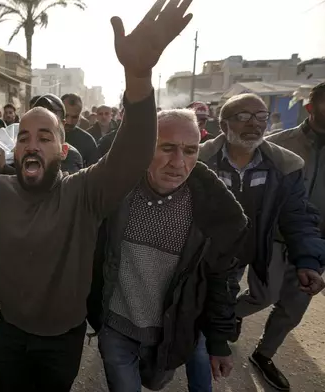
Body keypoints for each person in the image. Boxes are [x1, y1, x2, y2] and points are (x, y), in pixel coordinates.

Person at [0, 1, 193, 389]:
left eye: (45, 137)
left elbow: (132, 154)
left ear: (63, 150)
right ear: (14, 149)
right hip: (10, 333)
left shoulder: (83, 193)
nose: (32, 144)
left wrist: (138, 76)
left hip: (63, 341)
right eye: (24, 137)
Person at [88, 108, 247, 391]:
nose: (178, 162)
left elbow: (220, 281)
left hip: (171, 334)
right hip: (115, 330)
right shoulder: (115, 191)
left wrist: (218, 340)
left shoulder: (211, 212)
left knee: (157, 381)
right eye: (168, 148)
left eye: (190, 150)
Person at [186, 93, 325, 392]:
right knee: (202, 333)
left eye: (261, 117)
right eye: (244, 117)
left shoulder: (284, 165)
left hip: (255, 249)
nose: (254, 124)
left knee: (265, 296)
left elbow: (297, 216)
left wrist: (308, 261)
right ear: (224, 125)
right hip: (207, 259)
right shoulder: (197, 161)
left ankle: (237, 334)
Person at [244, 84, 325, 391]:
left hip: (317, 245)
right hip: (274, 238)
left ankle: (264, 355)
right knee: (262, 295)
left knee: (293, 308)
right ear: (310, 108)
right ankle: (223, 319)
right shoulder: (277, 145)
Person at [29, 94, 85, 174]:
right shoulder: (24, 148)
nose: (43, 122)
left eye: (50, 117)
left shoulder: (71, 156)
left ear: (62, 123)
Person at [61, 93, 100, 167]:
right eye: (66, 116)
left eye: (74, 117)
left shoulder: (88, 141)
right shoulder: (45, 135)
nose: (69, 121)